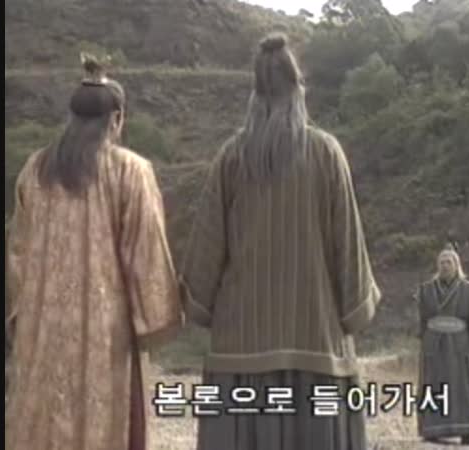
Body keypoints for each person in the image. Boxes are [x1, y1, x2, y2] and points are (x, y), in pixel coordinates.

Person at [181, 33, 381, 450]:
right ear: (298, 90)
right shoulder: (326, 153)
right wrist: (355, 309)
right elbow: (348, 248)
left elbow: (204, 259)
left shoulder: (231, 157)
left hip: (240, 349)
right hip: (316, 342)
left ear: (255, 94)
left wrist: (199, 306)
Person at [5, 56, 184, 450]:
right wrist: (158, 316)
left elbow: (17, 254)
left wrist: (23, 315)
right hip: (105, 333)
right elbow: (146, 254)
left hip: (42, 328)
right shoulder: (130, 171)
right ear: (116, 119)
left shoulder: (35, 169)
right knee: (102, 423)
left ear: (71, 117)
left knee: (40, 422)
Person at [413, 245, 469, 446]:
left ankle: (466, 432)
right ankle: (431, 430)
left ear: (457, 265)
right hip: (433, 344)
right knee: (432, 385)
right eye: (441, 262)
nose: (445, 266)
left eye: (449, 262)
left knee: (462, 387)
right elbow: (421, 320)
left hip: (459, 344)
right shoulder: (426, 290)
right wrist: (423, 339)